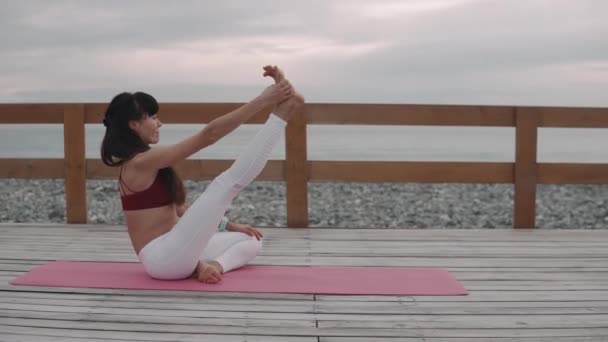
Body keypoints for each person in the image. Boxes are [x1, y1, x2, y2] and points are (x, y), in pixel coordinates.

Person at [100, 65, 304, 283]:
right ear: (133, 124)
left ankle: (213, 267)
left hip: (177, 250)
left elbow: (181, 211)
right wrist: (262, 100)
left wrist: (229, 226)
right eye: (152, 117)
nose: (159, 123)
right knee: (226, 184)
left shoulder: (144, 162)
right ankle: (282, 112)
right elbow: (210, 134)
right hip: (163, 258)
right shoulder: (140, 163)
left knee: (250, 240)